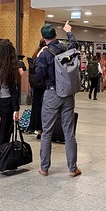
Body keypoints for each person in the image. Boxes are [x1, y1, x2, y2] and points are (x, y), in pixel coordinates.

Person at [35, 22, 81, 177]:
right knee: (69, 132)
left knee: (47, 132)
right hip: (68, 94)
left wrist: (39, 56)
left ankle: (44, 168)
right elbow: (74, 44)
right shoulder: (66, 48)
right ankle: (72, 168)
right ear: (55, 34)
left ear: (43, 38)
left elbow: (39, 75)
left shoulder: (45, 54)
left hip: (52, 94)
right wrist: (68, 31)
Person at [0, 39, 21, 147]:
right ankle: (1, 154)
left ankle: (1, 152)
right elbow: (13, 91)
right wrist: (16, 109)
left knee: (4, 128)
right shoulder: (9, 69)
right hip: (8, 102)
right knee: (5, 131)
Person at [27, 39, 47, 139]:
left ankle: (38, 129)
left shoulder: (36, 53)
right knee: (45, 107)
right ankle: (44, 130)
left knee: (37, 107)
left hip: (36, 86)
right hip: (44, 85)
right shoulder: (45, 53)